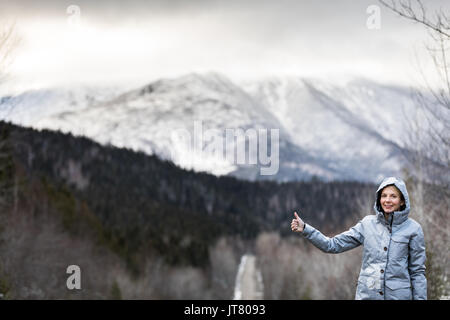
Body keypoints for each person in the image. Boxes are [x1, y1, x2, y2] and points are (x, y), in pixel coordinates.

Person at [291, 176, 427, 300]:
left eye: (393, 196)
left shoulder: (414, 229)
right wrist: (305, 229)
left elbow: (417, 273)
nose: (387, 200)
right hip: (367, 295)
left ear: (402, 201)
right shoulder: (367, 224)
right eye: (384, 196)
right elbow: (332, 245)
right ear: (379, 199)